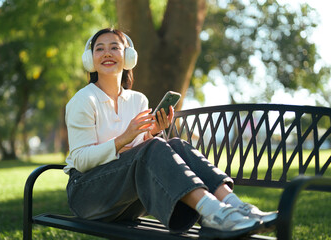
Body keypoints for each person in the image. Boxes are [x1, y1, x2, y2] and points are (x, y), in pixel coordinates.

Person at [64, 28, 277, 239]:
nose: (107, 53)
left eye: (114, 48)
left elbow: (138, 156)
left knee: (176, 144)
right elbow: (81, 160)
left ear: (128, 57)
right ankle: (215, 213)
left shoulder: (138, 100)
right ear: (90, 59)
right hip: (88, 197)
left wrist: (151, 134)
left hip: (129, 201)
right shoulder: (84, 100)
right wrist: (124, 139)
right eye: (99, 49)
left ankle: (238, 207)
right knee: (154, 146)